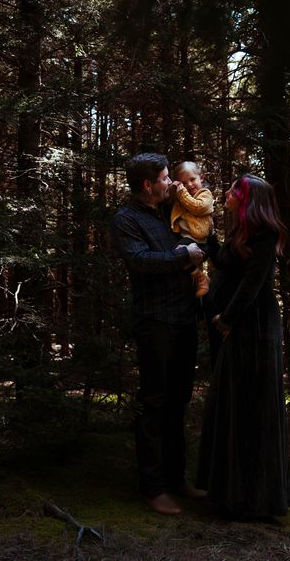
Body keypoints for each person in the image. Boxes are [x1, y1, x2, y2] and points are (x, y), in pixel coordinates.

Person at [112, 153, 207, 516]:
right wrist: (184, 255)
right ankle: (153, 488)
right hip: (155, 322)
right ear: (148, 185)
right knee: (155, 402)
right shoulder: (127, 219)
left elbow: (198, 237)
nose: (172, 183)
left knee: (178, 400)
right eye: (166, 178)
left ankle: (176, 478)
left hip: (184, 318)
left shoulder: (171, 212)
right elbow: (139, 261)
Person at [196, 174, 290, 519]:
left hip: (255, 327)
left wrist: (226, 320)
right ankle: (229, 493)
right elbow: (223, 263)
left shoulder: (266, 234)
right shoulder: (241, 232)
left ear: (248, 199)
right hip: (238, 326)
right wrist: (205, 235)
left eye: (234, 190)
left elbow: (253, 284)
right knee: (233, 404)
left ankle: (257, 500)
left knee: (254, 406)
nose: (226, 193)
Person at [171, 161, 214, 298]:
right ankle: (200, 277)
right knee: (176, 258)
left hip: (199, 239)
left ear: (201, 177)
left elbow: (198, 207)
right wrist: (173, 189)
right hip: (188, 238)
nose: (189, 185)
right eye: (184, 183)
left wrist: (181, 191)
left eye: (192, 179)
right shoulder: (182, 197)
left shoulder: (205, 194)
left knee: (177, 255)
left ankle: (201, 279)